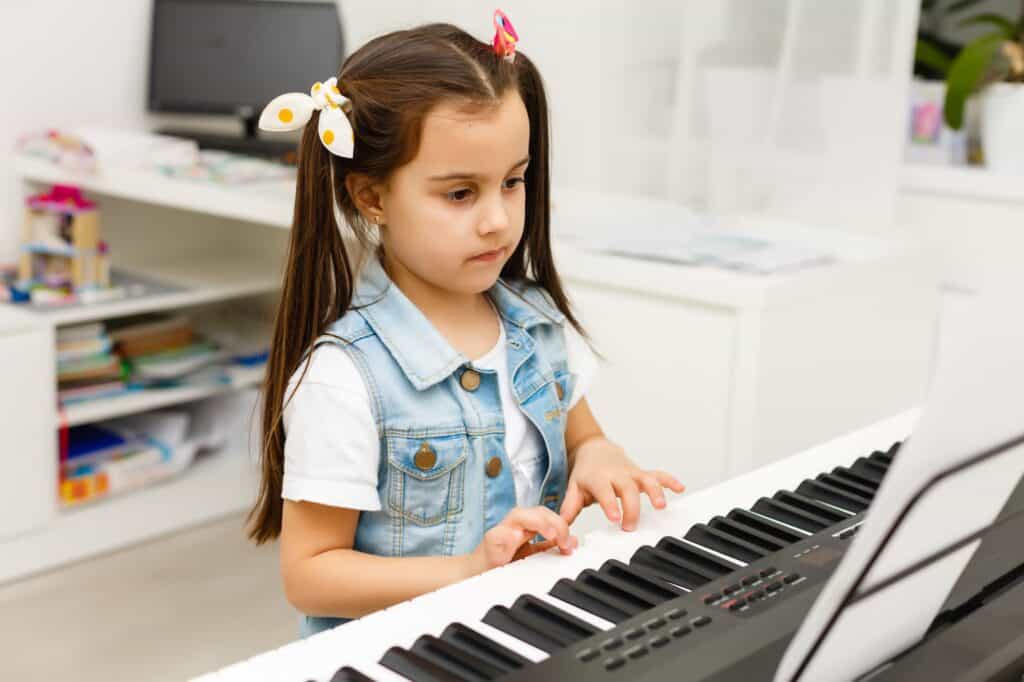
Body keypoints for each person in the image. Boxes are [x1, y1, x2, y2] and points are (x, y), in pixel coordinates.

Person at [247, 11, 685, 638]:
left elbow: (583, 437)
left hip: (521, 631)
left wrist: (600, 457)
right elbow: (310, 574)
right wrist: (472, 569)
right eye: (460, 194)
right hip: (404, 652)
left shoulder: (534, 324)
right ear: (372, 198)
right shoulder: (344, 377)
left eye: (513, 182)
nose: (498, 221)